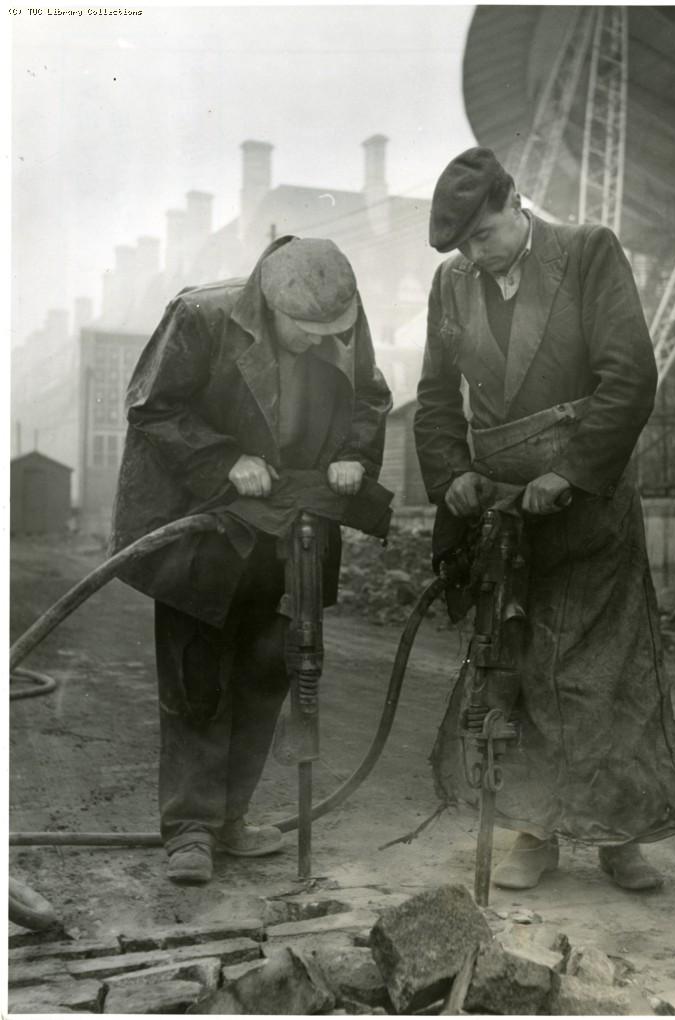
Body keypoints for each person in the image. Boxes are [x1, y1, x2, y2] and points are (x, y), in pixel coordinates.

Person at [414, 148, 675, 892]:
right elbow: (432, 399)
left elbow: (629, 377)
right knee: (514, 671)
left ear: (516, 203)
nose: (475, 256)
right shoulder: (452, 283)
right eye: (463, 247)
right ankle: (533, 832)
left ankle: (619, 836)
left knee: (601, 676)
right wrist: (451, 475)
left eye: (484, 236)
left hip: (588, 505)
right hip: (503, 518)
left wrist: (569, 472)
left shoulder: (586, 254)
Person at [111, 236, 392, 884]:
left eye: (333, 332)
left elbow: (370, 396)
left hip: (290, 531)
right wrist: (222, 460)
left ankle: (231, 820)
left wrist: (354, 449)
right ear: (269, 306)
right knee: (196, 679)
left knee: (267, 672)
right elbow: (152, 407)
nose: (323, 342)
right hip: (205, 529)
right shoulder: (201, 317)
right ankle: (190, 830)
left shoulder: (339, 317)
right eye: (306, 331)